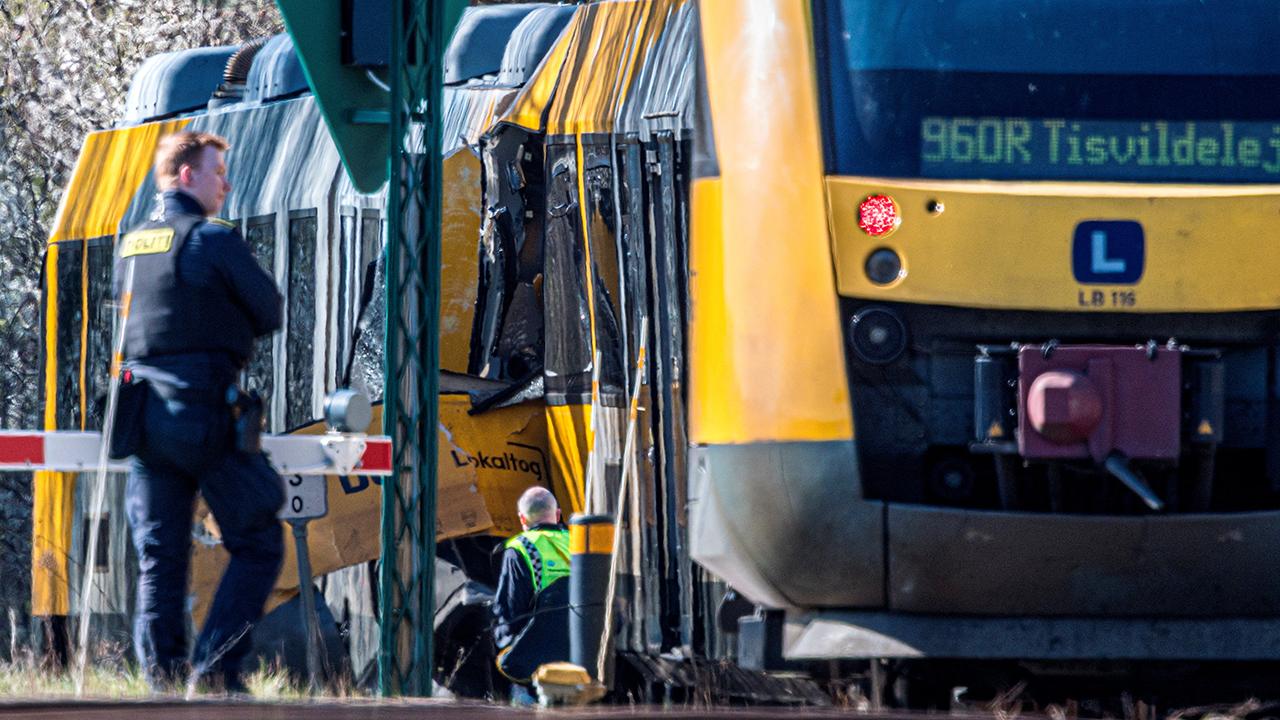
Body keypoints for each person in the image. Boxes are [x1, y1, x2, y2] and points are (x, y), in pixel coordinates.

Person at [117, 131, 284, 693]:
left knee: (160, 557)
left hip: (143, 421)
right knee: (259, 539)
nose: (226, 185)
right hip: (204, 412)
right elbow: (269, 309)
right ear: (187, 175)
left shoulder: (133, 245)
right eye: (218, 172)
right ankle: (215, 669)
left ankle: (162, 684)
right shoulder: (213, 241)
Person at [492, 486, 571, 694]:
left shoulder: (521, 548)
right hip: (586, 657)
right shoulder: (580, 544)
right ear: (558, 515)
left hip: (539, 666)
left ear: (522, 519)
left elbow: (510, 613)